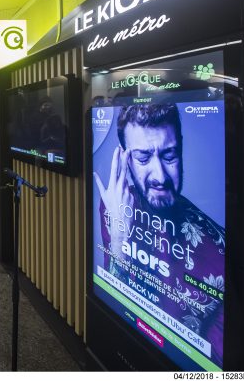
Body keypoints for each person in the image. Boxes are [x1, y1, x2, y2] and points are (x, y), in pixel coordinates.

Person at [93, 103, 225, 364]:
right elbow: (115, 299)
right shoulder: (118, 202)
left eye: (169, 155)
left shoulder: (220, 252)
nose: (160, 176)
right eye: (143, 158)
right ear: (125, 159)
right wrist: (120, 235)